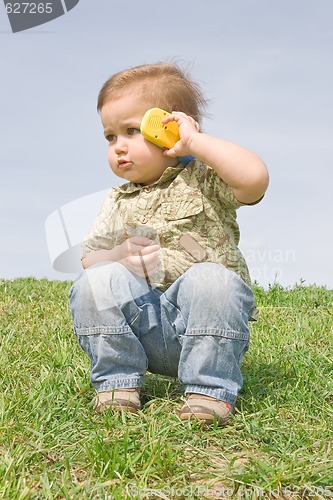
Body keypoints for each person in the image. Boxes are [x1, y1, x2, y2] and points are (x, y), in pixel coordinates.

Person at [69, 62, 269, 426]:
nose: (118, 147)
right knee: (95, 281)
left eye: (131, 130)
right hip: (138, 326)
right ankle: (117, 383)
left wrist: (195, 143)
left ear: (170, 129)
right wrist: (117, 256)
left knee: (212, 279)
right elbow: (87, 259)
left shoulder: (204, 179)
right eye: (110, 137)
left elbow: (254, 178)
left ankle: (207, 390)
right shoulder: (117, 200)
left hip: (203, 328)